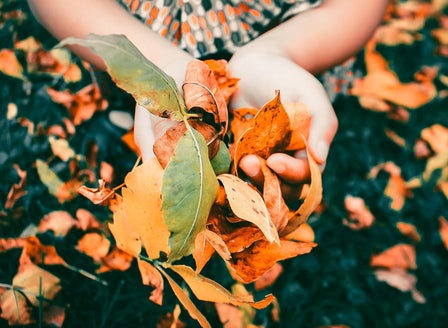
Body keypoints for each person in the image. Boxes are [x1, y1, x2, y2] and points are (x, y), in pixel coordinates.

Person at [27, 0, 388, 199]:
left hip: (291, 34)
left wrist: (281, 52)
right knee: (144, 107)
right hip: (136, 31)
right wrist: (156, 69)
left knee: (268, 139)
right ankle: (127, 114)